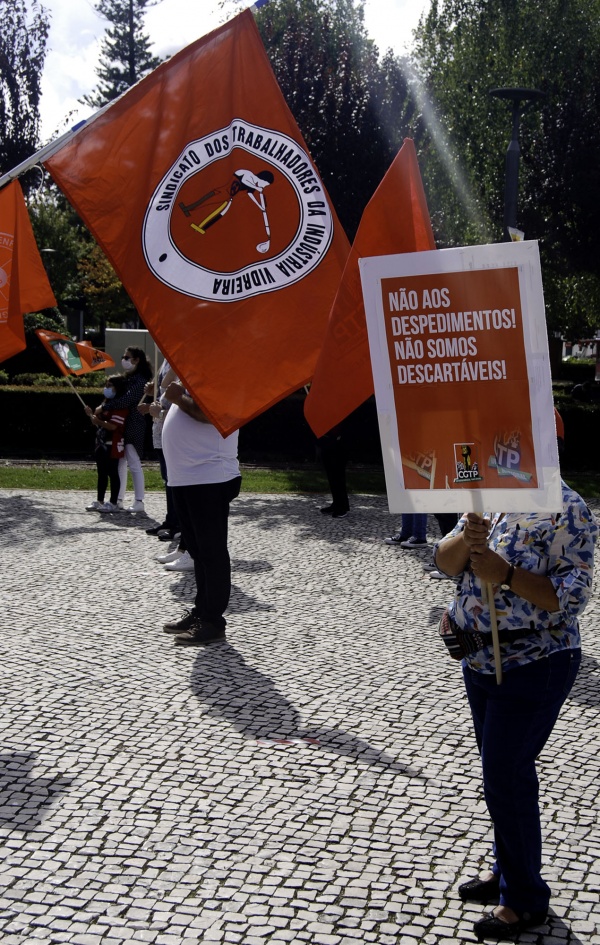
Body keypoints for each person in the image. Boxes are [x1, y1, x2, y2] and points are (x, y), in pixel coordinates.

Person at [434, 481, 597, 941]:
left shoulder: (567, 507)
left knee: (506, 775)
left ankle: (525, 899)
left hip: (535, 662)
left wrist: (504, 574)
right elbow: (444, 565)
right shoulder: (489, 495)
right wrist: (463, 539)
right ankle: (507, 869)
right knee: (498, 775)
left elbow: (571, 599)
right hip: (480, 661)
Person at [161, 379, 241, 645]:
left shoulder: (225, 378)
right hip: (187, 477)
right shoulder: (197, 374)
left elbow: (213, 415)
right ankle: (201, 613)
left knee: (212, 552)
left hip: (210, 476)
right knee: (197, 551)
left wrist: (177, 398)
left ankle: (213, 622)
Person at [138, 359, 181, 540]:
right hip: (161, 431)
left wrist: (155, 409)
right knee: (167, 479)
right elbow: (163, 394)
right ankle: (171, 520)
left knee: (175, 480)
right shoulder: (165, 361)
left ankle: (178, 524)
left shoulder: (180, 359)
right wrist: (152, 392)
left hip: (173, 431)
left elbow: (179, 398)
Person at [107, 345, 153, 512]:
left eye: (127, 358)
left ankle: (139, 501)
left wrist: (106, 407)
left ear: (136, 360)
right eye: (123, 357)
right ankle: (118, 498)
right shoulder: (130, 379)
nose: (124, 360)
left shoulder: (140, 381)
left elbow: (128, 400)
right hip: (124, 424)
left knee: (133, 461)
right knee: (121, 461)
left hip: (134, 424)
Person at [84, 374, 129, 512]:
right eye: (106, 385)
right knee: (101, 472)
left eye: (110, 386)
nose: (106, 388)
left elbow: (113, 426)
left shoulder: (120, 405)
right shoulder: (106, 403)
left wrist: (97, 421)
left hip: (113, 443)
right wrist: (91, 414)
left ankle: (114, 502)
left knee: (112, 472)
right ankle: (100, 500)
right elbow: (98, 418)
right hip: (101, 443)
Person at [318, 424, 350, 518]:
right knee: (331, 475)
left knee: (338, 475)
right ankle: (336, 503)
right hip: (328, 440)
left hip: (340, 443)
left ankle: (342, 507)